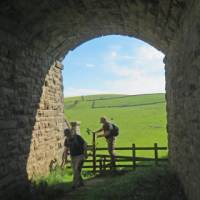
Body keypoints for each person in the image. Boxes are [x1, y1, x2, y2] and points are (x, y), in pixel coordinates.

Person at [63, 123, 87, 189]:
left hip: (80, 156)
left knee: (76, 170)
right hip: (73, 157)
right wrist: (65, 159)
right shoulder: (67, 140)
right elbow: (66, 150)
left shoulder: (78, 137)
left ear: (71, 133)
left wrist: (85, 153)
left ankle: (74, 185)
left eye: (68, 134)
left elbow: (85, 144)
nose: (68, 136)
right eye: (67, 135)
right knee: (76, 171)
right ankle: (81, 183)